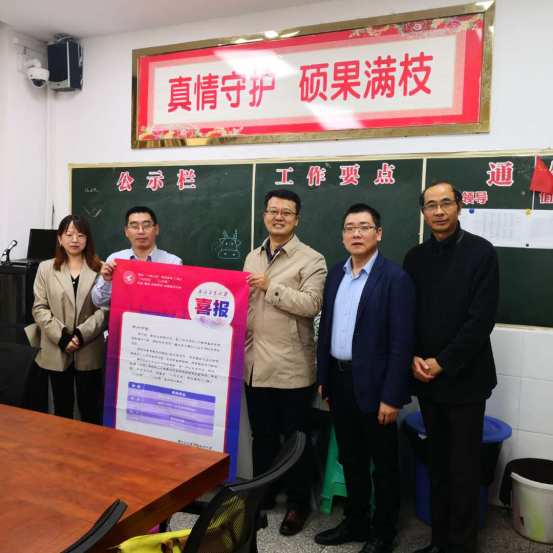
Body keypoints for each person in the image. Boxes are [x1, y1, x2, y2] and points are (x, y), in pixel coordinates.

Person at [403, 182, 499, 553]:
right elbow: (409, 315)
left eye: (446, 203)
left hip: (465, 380)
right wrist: (413, 355)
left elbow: (481, 320)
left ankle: (461, 546)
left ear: (459, 207)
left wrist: (442, 362)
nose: (439, 211)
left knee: (463, 470)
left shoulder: (481, 252)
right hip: (427, 380)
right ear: (423, 213)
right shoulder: (415, 258)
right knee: (438, 465)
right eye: (431, 205)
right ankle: (439, 541)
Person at [315, 203, 415, 553]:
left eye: (364, 227)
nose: (356, 233)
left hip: (377, 387)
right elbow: (326, 330)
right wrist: (324, 377)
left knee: (384, 466)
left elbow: (402, 343)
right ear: (342, 235)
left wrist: (392, 396)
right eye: (349, 228)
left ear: (379, 233)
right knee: (351, 458)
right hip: (340, 382)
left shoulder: (395, 278)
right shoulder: (335, 275)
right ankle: (355, 522)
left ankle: (383, 533)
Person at [243, 189, 327, 536]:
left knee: (296, 439)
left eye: (286, 212)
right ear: (264, 215)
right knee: (262, 436)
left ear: (297, 219)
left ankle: (297, 504)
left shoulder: (312, 259)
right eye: (273, 211)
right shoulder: (252, 256)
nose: (278, 217)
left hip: (291, 366)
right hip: (254, 364)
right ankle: (262, 494)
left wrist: (271, 286)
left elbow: (312, 304)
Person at [27, 215, 107, 424]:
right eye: (69, 234)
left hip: (88, 346)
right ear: (60, 239)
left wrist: (81, 334)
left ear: (87, 239)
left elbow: (105, 309)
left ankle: (89, 445)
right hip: (57, 346)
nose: (75, 240)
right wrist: (62, 337)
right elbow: (39, 308)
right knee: (62, 407)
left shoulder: (101, 268)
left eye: (80, 235)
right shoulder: (46, 268)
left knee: (90, 407)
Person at [92, 206, 182, 307]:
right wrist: (107, 281)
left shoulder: (173, 263)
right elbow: (98, 302)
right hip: (124, 317)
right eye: (134, 227)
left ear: (156, 229)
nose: (141, 231)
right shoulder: (115, 260)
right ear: (126, 231)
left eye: (146, 226)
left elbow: (178, 303)